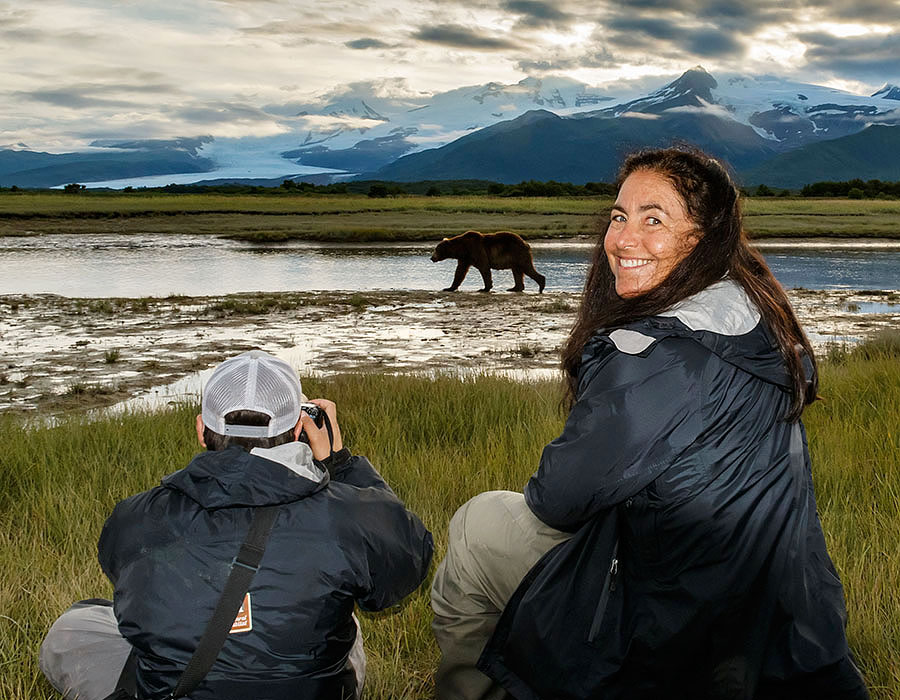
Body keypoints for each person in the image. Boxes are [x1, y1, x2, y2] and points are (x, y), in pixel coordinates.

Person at [431, 148, 869, 699]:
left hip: (675, 621)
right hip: (785, 613)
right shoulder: (758, 312)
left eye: (653, 219)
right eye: (619, 216)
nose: (622, 239)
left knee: (477, 524)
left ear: (703, 237)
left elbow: (555, 499)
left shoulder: (655, 357)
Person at [40, 350, 434, 700]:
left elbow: (121, 575)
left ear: (201, 429)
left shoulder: (137, 516)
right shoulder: (348, 516)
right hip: (311, 686)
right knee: (343, 612)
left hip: (177, 685)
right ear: (299, 430)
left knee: (74, 626)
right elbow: (407, 562)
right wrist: (341, 463)